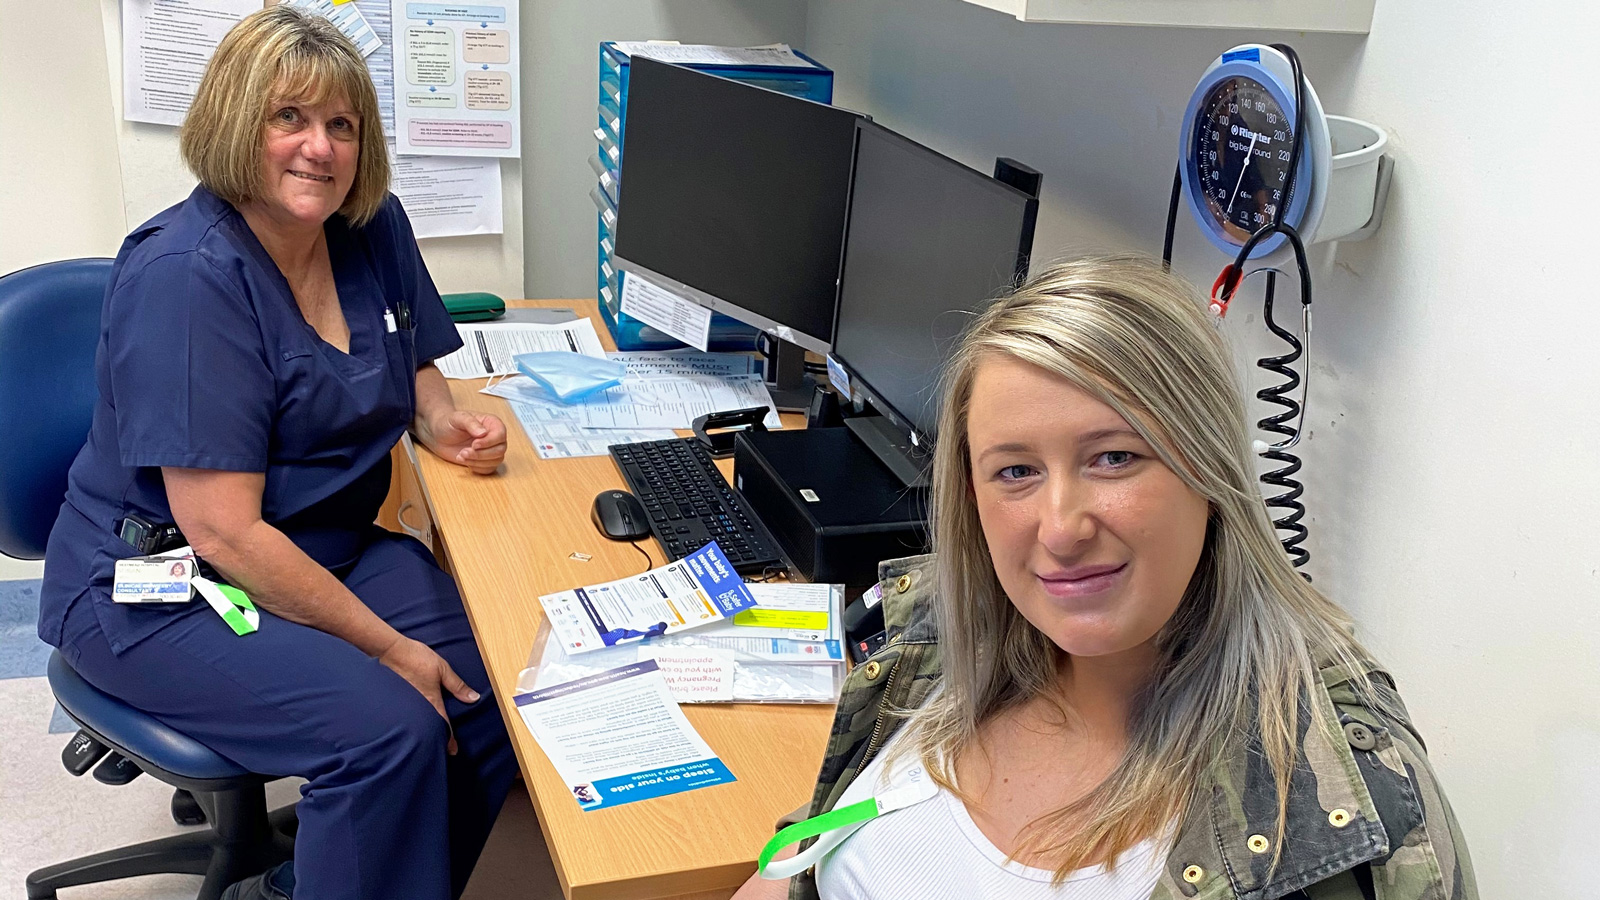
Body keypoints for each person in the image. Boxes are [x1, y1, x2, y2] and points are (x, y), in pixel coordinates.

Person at [735, 258, 1475, 900]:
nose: (1061, 528)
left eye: (1113, 457)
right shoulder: (941, 636)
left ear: (1208, 469)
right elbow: (816, 844)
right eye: (1016, 471)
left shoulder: (1345, 805)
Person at [36, 7, 517, 899]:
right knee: (385, 733)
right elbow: (222, 534)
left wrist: (444, 424)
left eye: (341, 125)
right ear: (235, 123)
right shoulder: (187, 276)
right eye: (287, 118)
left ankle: (330, 880)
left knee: (486, 703)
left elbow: (407, 351)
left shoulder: (367, 223)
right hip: (162, 585)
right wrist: (386, 649)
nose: (319, 149)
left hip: (322, 544)